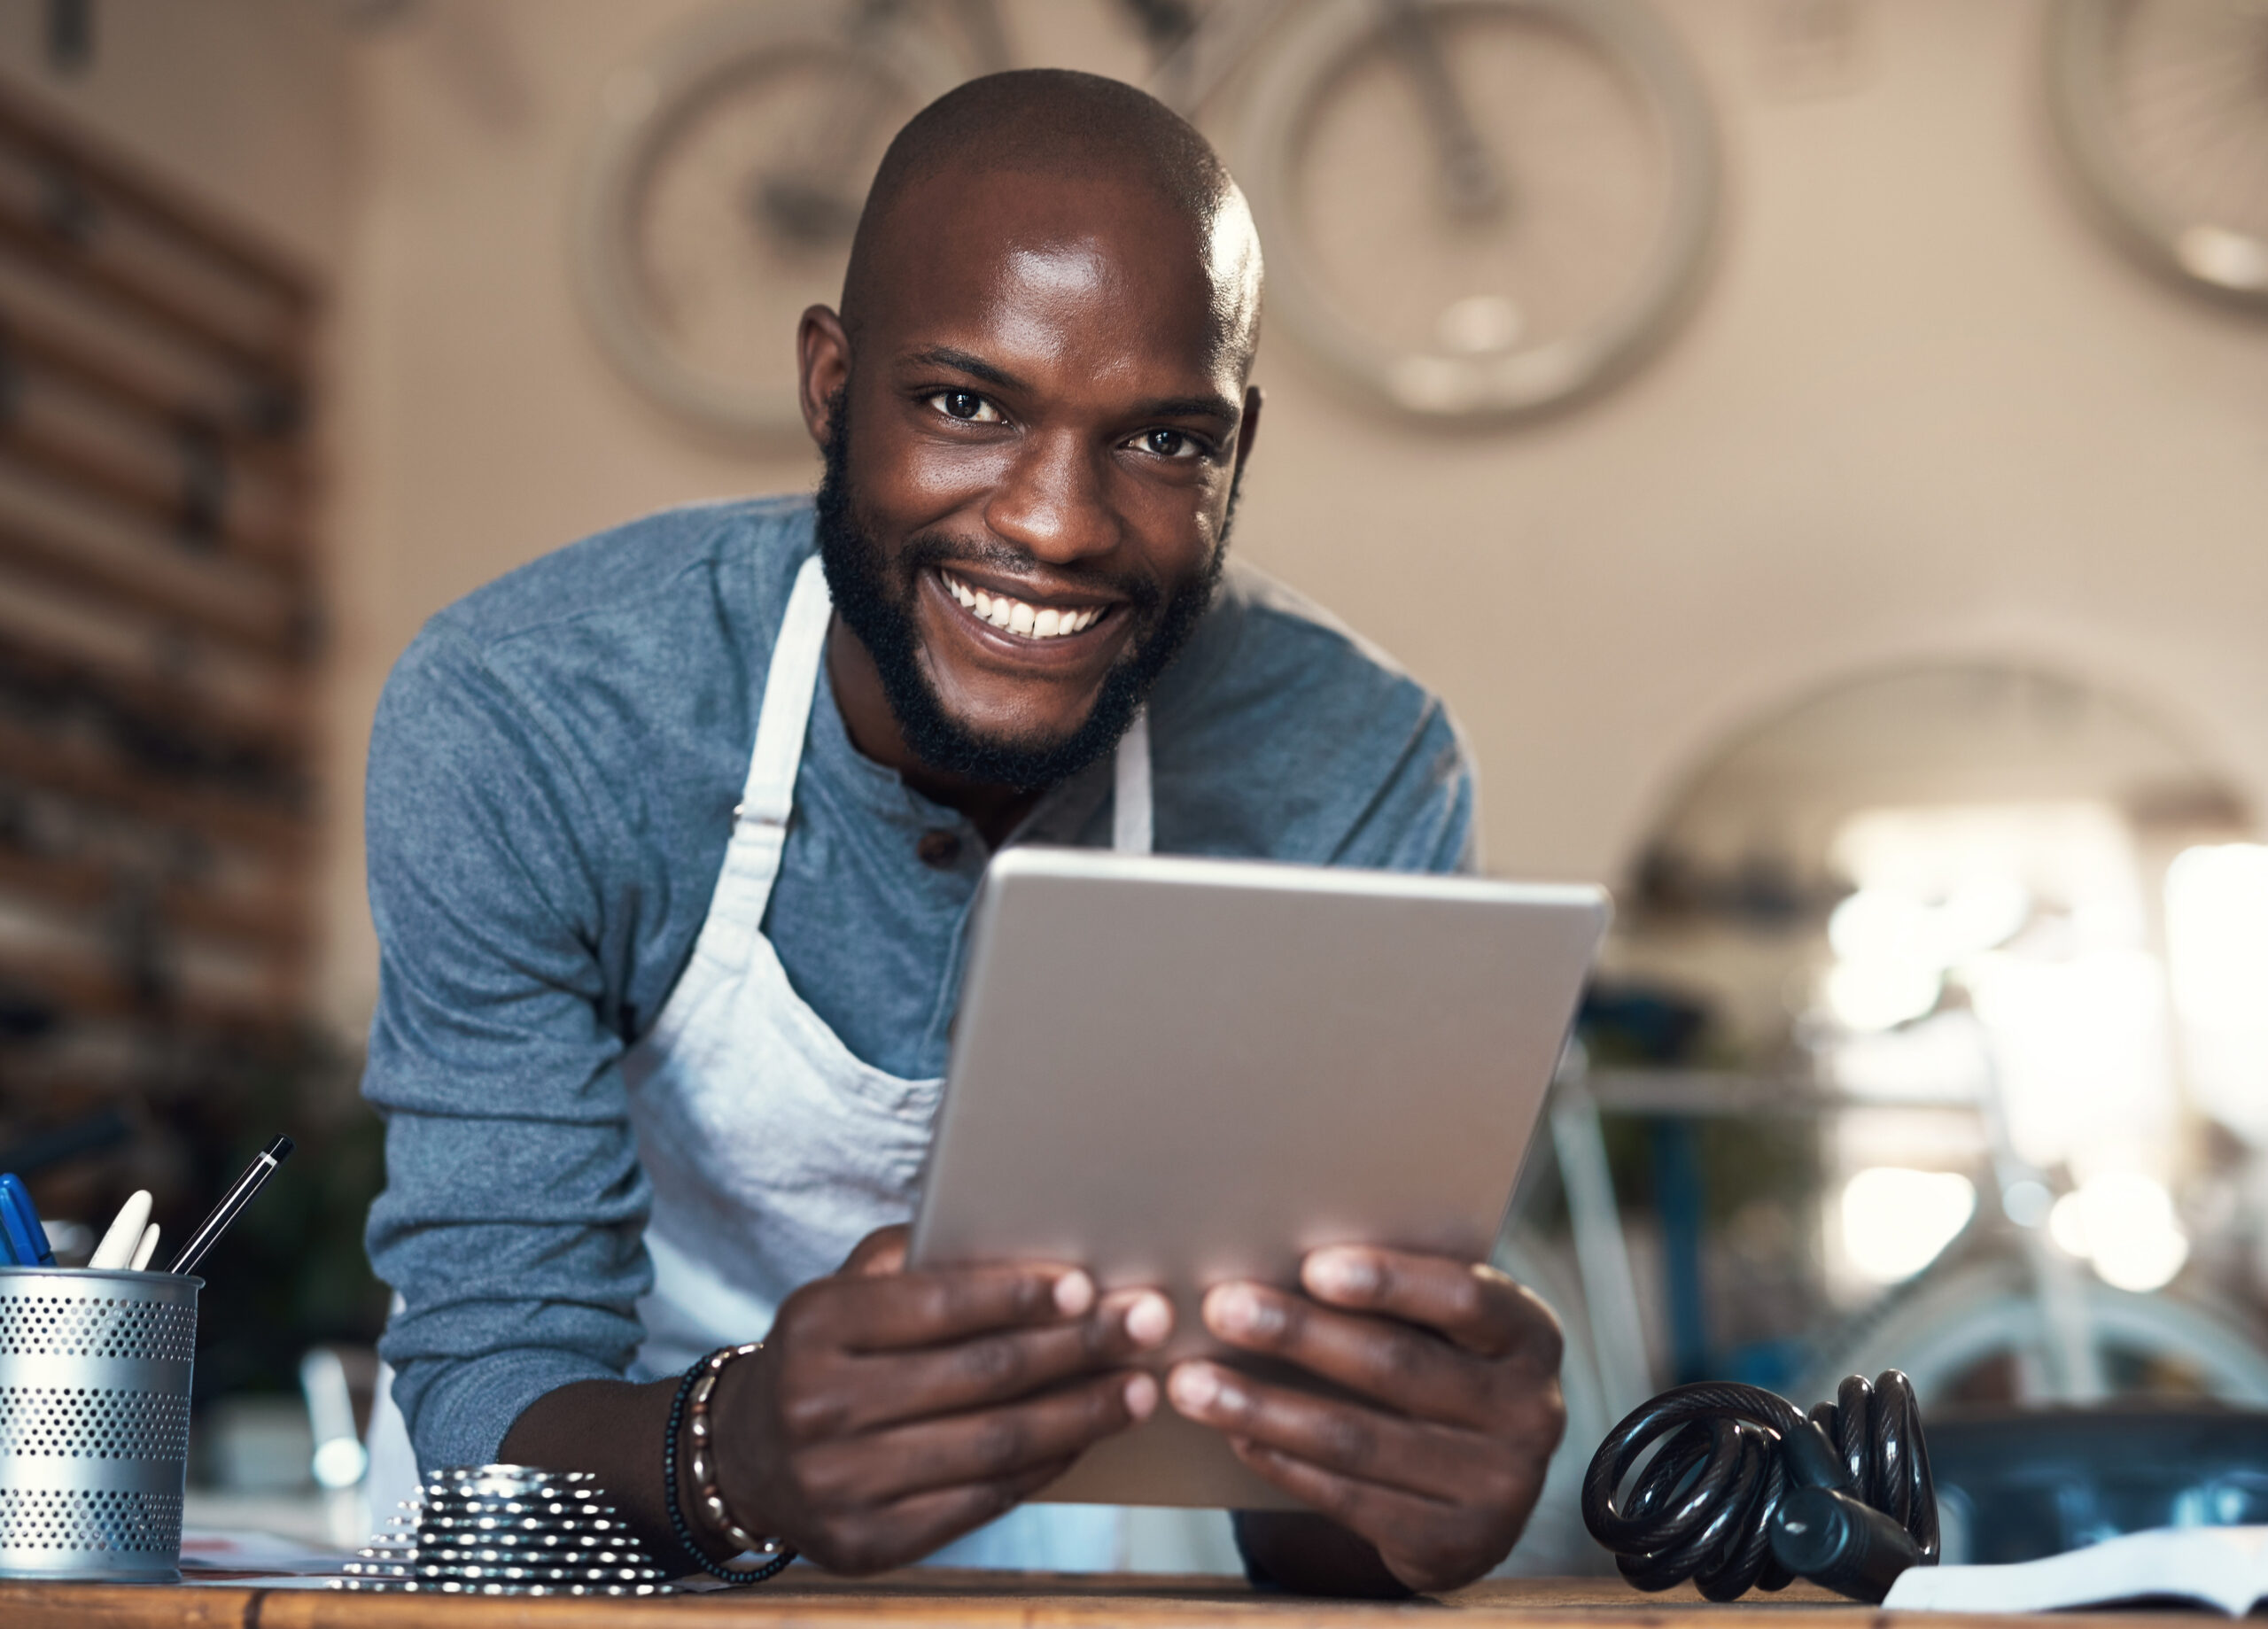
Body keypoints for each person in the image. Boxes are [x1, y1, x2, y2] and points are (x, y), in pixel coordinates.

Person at [361, 69, 1565, 1596]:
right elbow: (485, 1408)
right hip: (586, 1549)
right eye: (965, 404)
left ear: (1237, 454)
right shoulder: (538, 715)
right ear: (827, 387)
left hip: (1065, 1569)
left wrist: (1408, 1496)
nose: (1059, 523)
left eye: (1164, 442)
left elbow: (1300, 1494)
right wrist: (742, 1458)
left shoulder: (1353, 766)